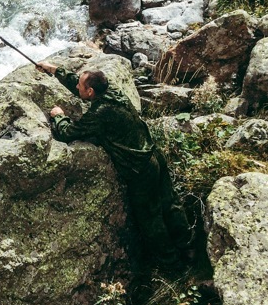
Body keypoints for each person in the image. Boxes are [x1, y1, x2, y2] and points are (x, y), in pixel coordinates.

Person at [36, 61, 194, 270]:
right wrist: (55, 70)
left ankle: (173, 266)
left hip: (140, 171)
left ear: (91, 91)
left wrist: (59, 117)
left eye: (81, 87)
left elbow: (69, 133)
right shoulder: (112, 91)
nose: (77, 88)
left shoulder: (101, 113)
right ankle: (189, 248)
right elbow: (80, 84)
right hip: (153, 155)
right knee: (170, 203)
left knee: (151, 220)